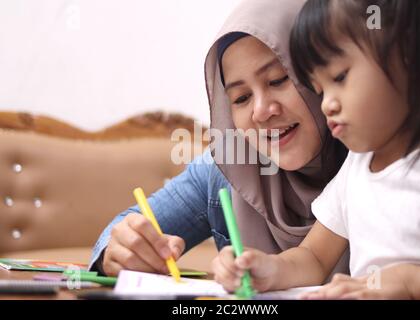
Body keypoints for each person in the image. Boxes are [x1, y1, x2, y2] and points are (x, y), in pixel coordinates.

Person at [89, 0, 348, 277]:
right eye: (241, 98)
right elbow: (124, 228)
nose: (261, 111)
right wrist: (119, 252)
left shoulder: (375, 164)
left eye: (278, 79)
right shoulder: (227, 170)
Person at [212, 0, 420, 299]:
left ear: (410, 58)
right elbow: (313, 258)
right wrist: (269, 268)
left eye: (339, 77)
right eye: (319, 89)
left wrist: (413, 283)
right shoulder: (356, 170)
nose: (327, 104)